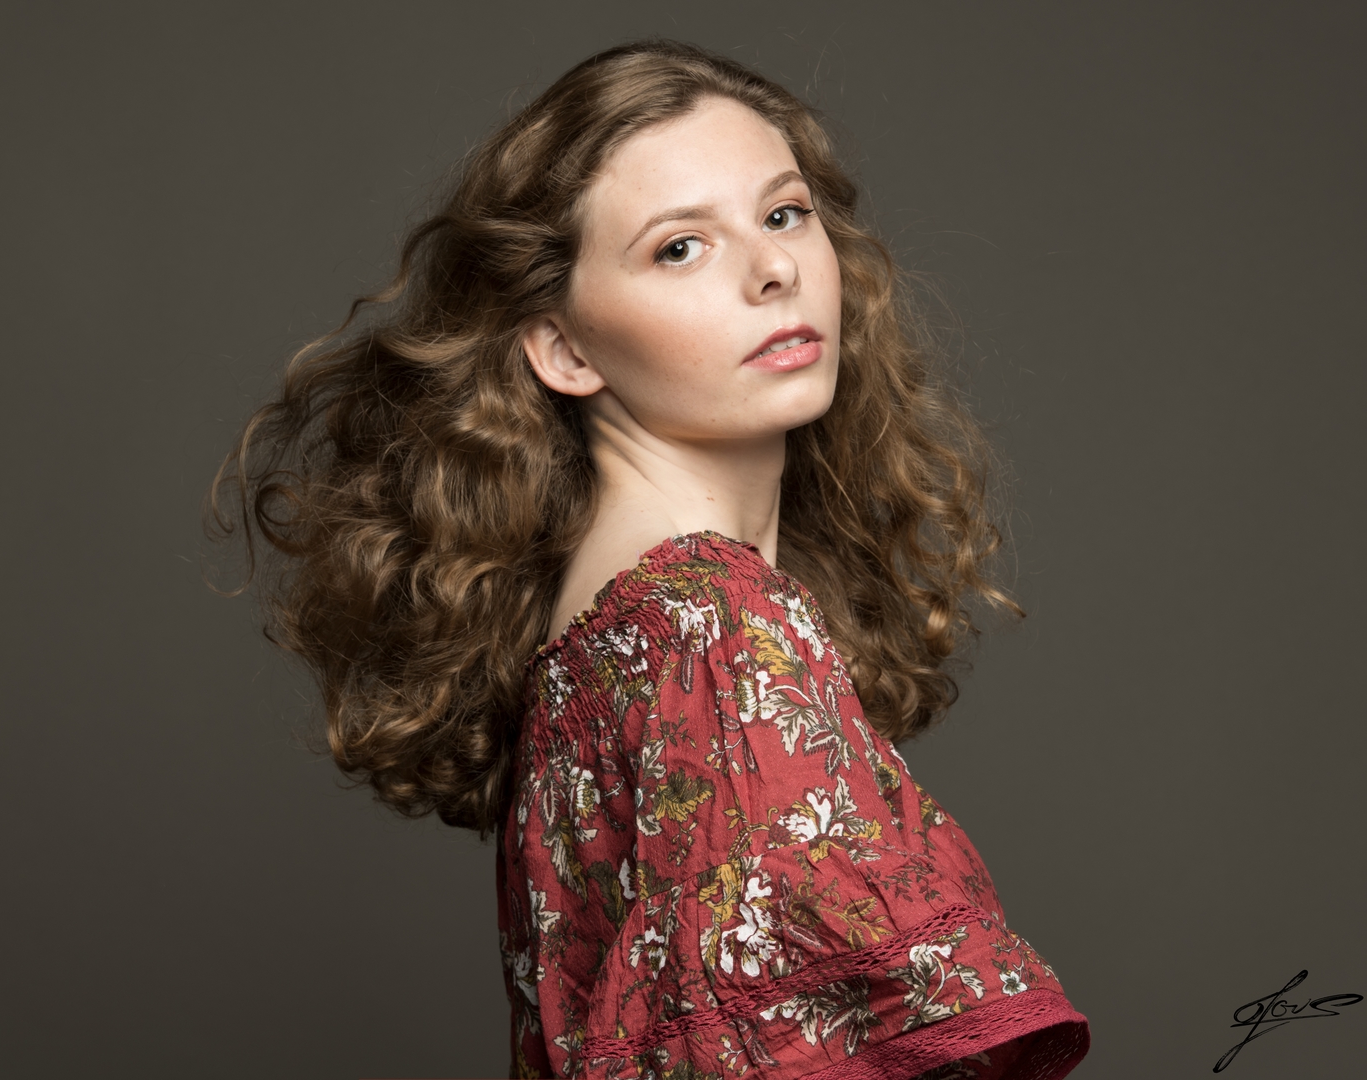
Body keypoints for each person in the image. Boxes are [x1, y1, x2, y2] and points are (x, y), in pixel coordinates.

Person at [212, 39, 1090, 1080]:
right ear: (565, 349)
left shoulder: (620, 626)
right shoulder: (710, 628)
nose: (773, 270)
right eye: (681, 247)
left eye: (783, 214)